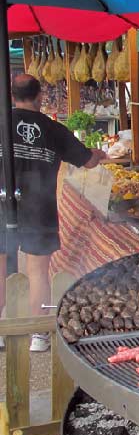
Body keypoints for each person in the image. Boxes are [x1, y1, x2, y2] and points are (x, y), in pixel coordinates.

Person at [0, 74, 106, 351]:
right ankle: (39, 335)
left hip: (2, 205)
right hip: (39, 208)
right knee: (38, 272)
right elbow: (87, 161)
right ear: (39, 97)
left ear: (12, 96)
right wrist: (99, 154)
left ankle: (1, 331)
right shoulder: (52, 129)